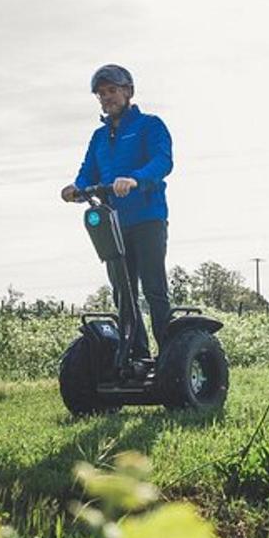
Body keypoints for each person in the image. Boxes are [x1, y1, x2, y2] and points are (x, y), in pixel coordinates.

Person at [61, 64, 173, 358]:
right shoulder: (99, 137)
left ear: (128, 92)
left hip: (148, 218)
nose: (106, 97)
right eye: (101, 94)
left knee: (154, 289)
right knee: (123, 293)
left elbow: (163, 161)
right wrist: (76, 188)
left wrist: (136, 178)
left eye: (112, 91)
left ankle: (171, 356)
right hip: (112, 223)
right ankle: (136, 355)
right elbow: (88, 172)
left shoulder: (150, 125)